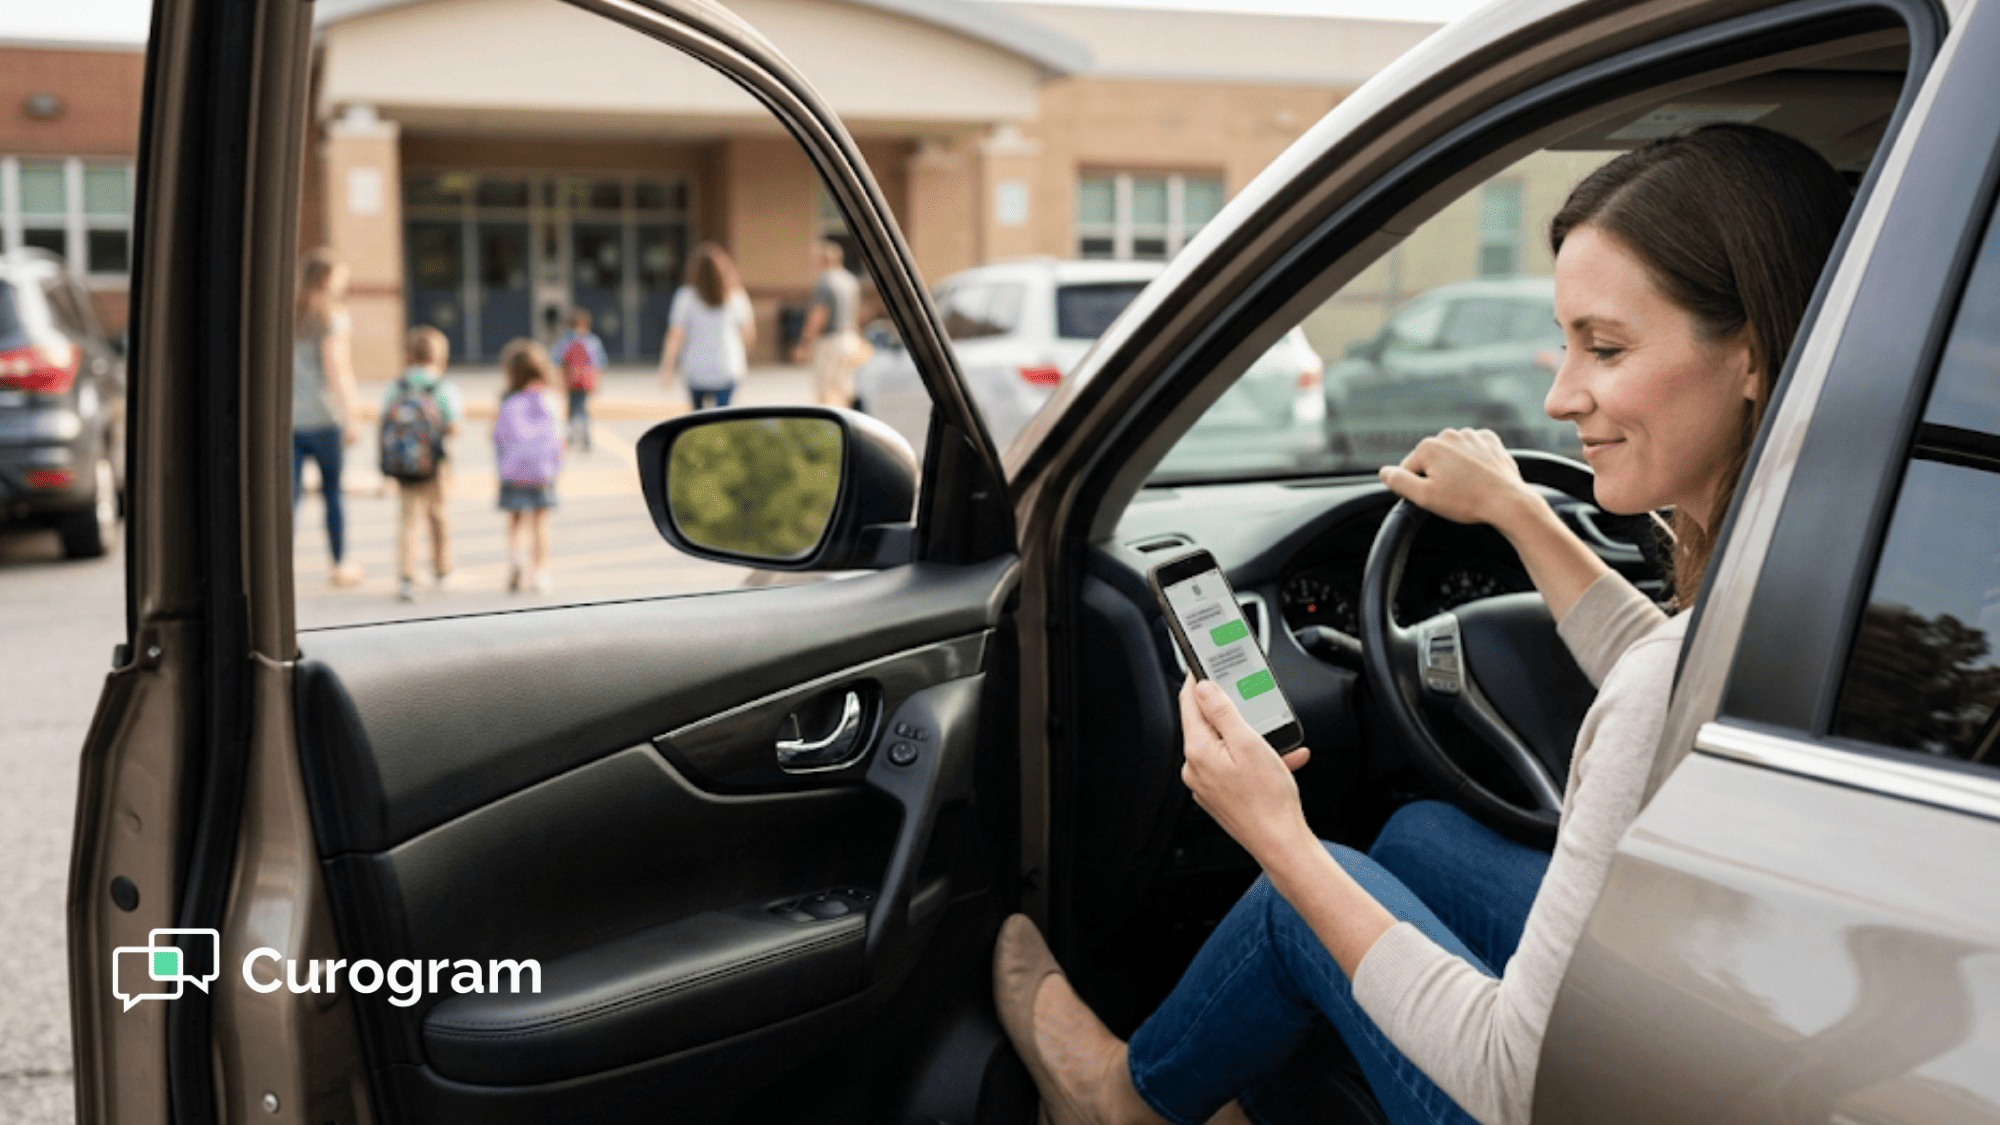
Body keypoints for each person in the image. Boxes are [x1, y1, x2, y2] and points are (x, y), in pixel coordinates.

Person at [993, 124, 1853, 1125]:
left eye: (1604, 347)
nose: (1557, 393)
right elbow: (1675, 679)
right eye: (1565, 340)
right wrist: (1520, 514)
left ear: (1750, 357)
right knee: (1417, 837)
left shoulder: (1665, 675)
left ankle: (1113, 1103)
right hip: (1733, 1032)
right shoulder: (1828, 559)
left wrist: (1275, 833)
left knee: (1299, 901)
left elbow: (1511, 1084)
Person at [291, 249, 366, 587]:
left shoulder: (288, 312)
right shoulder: (332, 316)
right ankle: (339, 564)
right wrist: (352, 415)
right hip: (324, 418)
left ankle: (278, 567)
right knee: (332, 494)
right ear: (326, 278)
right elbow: (338, 371)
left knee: (288, 499)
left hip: (289, 420)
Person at [384, 326, 464, 602]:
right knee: (438, 514)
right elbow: (454, 426)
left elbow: (387, 422)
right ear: (441, 358)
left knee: (408, 519)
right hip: (435, 462)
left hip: (404, 465)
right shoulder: (443, 387)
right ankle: (442, 571)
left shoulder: (396, 386)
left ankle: (407, 577)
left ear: (408, 355)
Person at [494, 339, 564, 594]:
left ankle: (515, 560)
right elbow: (559, 439)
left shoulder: (508, 402)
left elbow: (498, 438)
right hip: (541, 473)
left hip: (513, 472)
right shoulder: (550, 400)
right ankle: (540, 572)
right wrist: (556, 468)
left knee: (514, 520)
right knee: (540, 522)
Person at [661, 242, 755, 410]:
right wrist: (742, 357)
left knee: (698, 422)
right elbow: (749, 335)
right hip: (728, 368)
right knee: (723, 420)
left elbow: (675, 335)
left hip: (696, 371)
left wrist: (667, 367)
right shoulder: (737, 296)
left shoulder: (686, 297)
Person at [791, 238, 865, 407]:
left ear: (824, 260)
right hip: (848, 338)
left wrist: (804, 344)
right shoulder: (850, 281)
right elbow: (855, 312)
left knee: (825, 389)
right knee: (843, 387)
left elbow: (819, 315)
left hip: (829, 342)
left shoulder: (825, 281)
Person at [550, 309, 606, 452]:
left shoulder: (565, 340)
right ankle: (585, 438)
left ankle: (570, 438)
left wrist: (558, 381)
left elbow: (556, 361)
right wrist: (597, 381)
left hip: (570, 380)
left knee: (571, 410)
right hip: (585, 381)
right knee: (582, 409)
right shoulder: (592, 341)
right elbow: (599, 363)